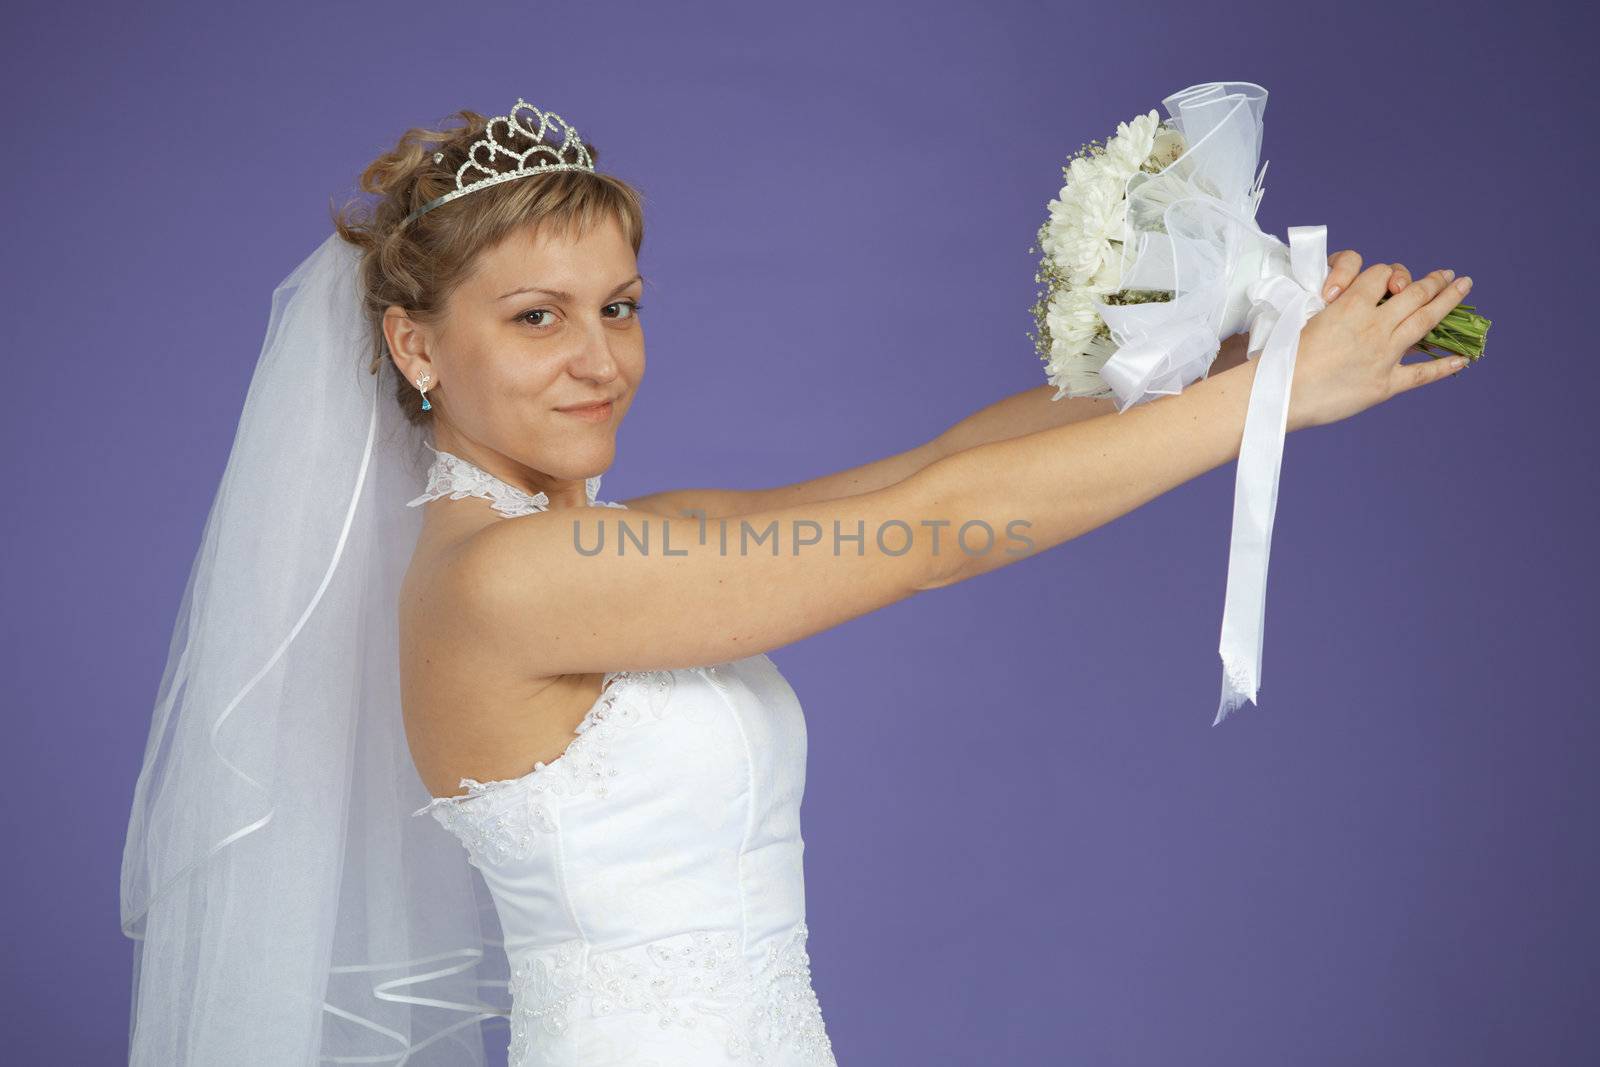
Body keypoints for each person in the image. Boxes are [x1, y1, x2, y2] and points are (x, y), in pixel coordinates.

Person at [119, 96, 1472, 1066]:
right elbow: (938, 535)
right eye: (536, 317)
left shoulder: (624, 541)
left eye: (621, 305)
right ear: (416, 348)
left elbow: (928, 472)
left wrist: (1235, 360)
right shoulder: (511, 583)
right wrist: (1275, 411)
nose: (599, 358)